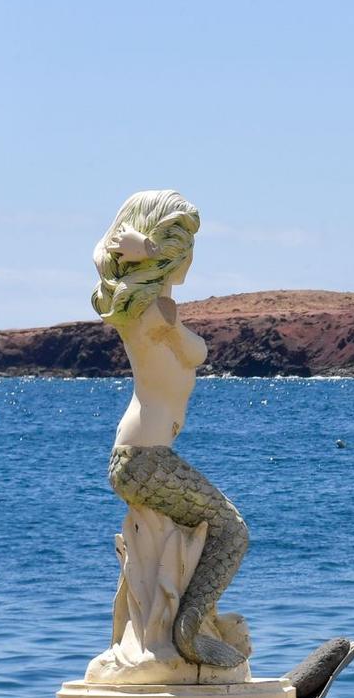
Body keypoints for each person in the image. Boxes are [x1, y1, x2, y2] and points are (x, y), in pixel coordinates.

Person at [91, 189, 249, 670]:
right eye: (188, 248)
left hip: (138, 455)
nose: (192, 261)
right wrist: (151, 250)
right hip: (146, 458)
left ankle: (179, 622)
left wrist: (135, 251)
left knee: (203, 528)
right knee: (231, 532)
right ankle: (187, 632)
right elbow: (195, 352)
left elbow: (100, 260)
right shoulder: (157, 312)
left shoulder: (139, 307)